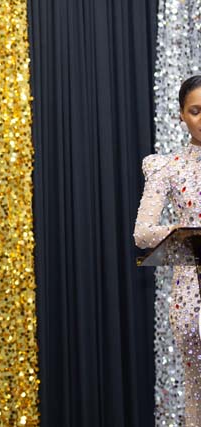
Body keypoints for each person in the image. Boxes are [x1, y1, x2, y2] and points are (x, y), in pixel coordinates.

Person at [134, 75, 201, 425]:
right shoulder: (168, 168)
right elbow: (143, 233)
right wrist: (184, 232)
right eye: (195, 111)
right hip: (191, 293)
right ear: (181, 116)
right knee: (197, 391)